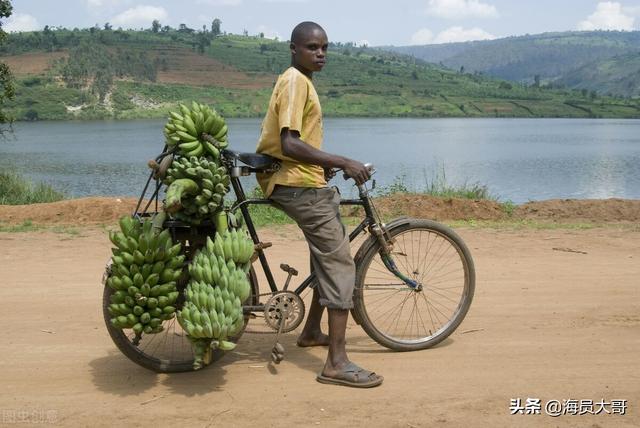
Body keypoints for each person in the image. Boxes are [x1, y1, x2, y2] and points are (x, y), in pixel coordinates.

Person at [255, 21, 383, 388]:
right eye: (313, 47)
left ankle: (312, 330)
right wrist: (342, 162)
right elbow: (290, 143)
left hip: (299, 179)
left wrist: (323, 165)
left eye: (325, 47)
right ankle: (336, 363)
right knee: (340, 263)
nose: (321, 53)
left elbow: (297, 148)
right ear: (294, 49)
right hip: (294, 184)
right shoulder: (296, 82)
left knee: (324, 255)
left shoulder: (300, 81)